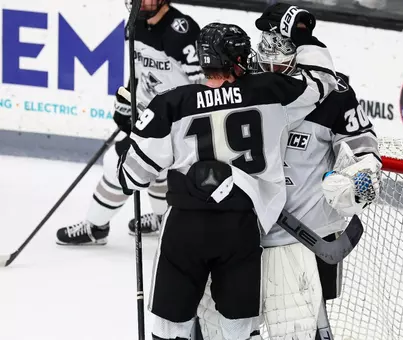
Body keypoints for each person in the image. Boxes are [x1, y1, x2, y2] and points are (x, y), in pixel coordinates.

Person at [116, 3, 338, 339]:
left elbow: (131, 177)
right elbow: (322, 82)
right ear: (238, 60)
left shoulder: (170, 104)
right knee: (239, 325)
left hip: (184, 227)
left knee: (170, 324)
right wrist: (306, 41)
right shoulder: (268, 91)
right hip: (241, 227)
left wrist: (135, 128)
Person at [197, 31, 381, 340]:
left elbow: (364, 151)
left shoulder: (331, 96)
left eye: (281, 69)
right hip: (236, 237)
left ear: (296, 65)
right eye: (264, 68)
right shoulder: (239, 89)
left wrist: (358, 183)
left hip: (298, 242)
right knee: (218, 329)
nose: (272, 76)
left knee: (297, 332)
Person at [55, 0, 203, 245]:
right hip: (151, 117)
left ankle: (96, 227)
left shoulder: (183, 31)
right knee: (156, 171)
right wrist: (128, 104)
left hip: (178, 123)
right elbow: (138, 74)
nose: (141, 2)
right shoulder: (134, 25)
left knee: (118, 163)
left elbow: (201, 87)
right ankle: (163, 218)